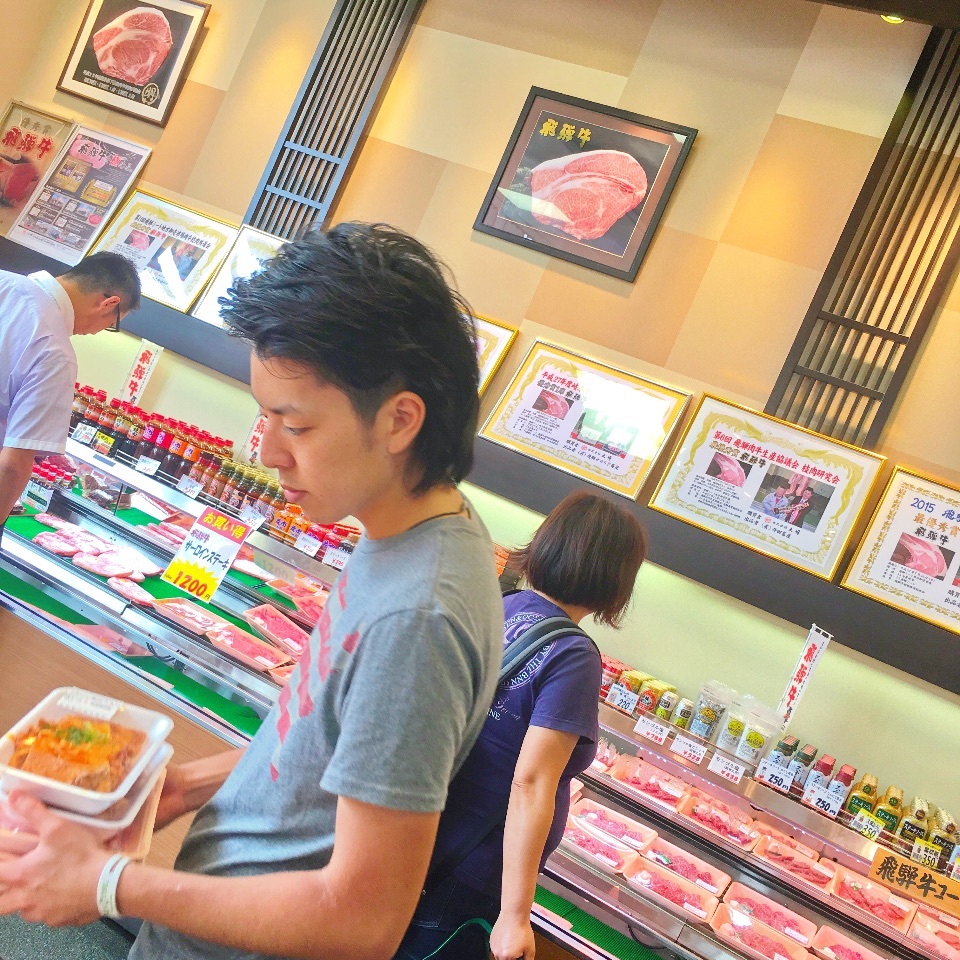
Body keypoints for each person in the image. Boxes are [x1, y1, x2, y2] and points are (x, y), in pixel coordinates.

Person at [0, 223, 505, 960]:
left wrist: (110, 885)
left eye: (293, 425)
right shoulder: (412, 534)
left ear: (400, 419)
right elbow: (319, 745)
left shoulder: (418, 617)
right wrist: (178, 786)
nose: (265, 452)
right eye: (264, 416)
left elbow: (360, 922)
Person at [394, 490, 648, 960]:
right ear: (616, 580)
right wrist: (514, 915)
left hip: (421, 841)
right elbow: (530, 784)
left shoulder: (499, 606)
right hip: (466, 872)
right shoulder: (573, 655)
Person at [0, 252, 141, 525]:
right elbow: (12, 466)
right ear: (109, 304)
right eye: (111, 325)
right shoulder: (55, 353)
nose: (97, 332)